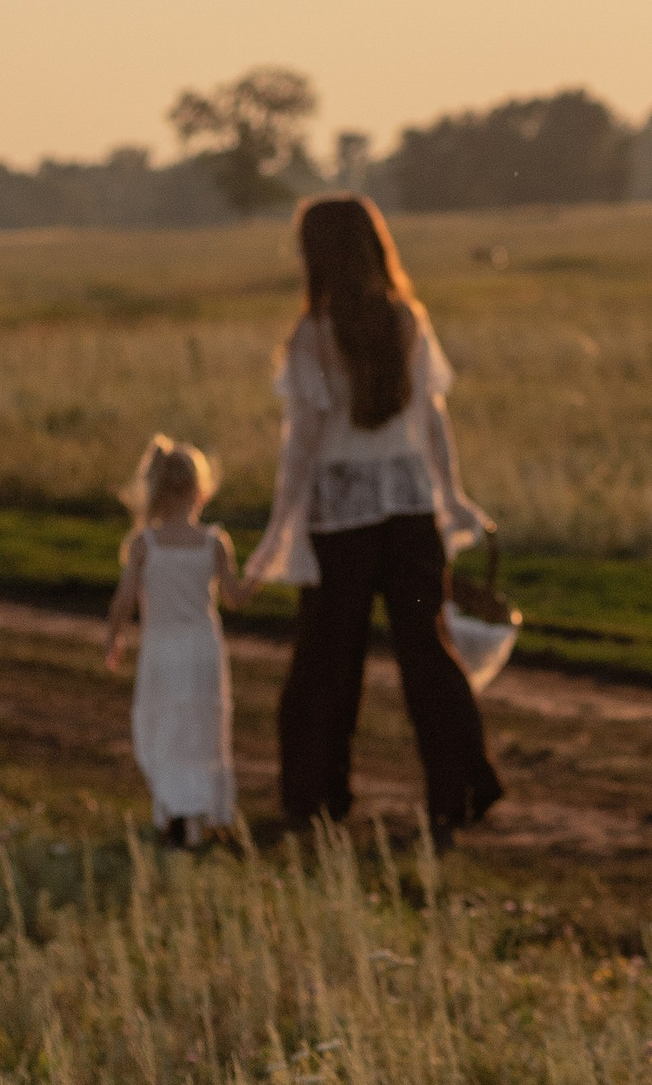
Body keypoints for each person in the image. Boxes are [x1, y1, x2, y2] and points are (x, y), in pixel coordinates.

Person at [245, 195, 504, 842]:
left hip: (341, 522)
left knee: (326, 660)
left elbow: (301, 445)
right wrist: (453, 496)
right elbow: (433, 423)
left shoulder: (312, 336)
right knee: (429, 652)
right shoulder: (408, 320)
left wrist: (278, 532)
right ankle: (461, 789)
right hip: (411, 515)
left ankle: (316, 796)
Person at [105, 435, 247, 848]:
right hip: (203, 650)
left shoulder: (143, 546)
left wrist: (113, 639)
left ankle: (174, 812)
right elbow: (235, 598)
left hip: (162, 652)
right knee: (202, 728)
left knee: (165, 726)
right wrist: (261, 571)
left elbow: (123, 602)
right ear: (200, 491)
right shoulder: (215, 542)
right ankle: (199, 818)